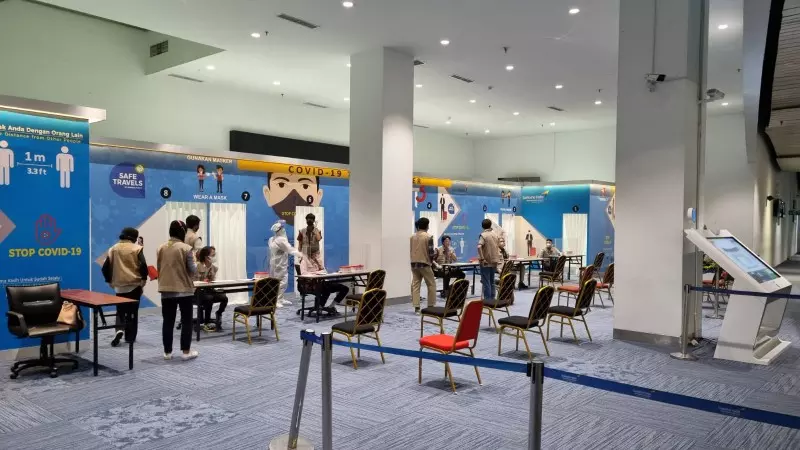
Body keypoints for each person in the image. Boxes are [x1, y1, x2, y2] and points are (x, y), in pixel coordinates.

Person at [157, 220, 199, 361]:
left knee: (168, 321)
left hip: (165, 288)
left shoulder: (160, 247)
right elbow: (193, 269)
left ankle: (167, 352)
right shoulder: (186, 248)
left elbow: (159, 267)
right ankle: (186, 352)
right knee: (186, 320)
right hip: (184, 289)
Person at [101, 227, 148, 347]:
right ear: (134, 238)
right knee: (132, 312)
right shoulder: (136, 248)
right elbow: (143, 265)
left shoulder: (113, 249)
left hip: (119, 286)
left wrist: (109, 280)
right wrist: (144, 279)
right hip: (134, 285)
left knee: (120, 310)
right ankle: (130, 337)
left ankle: (119, 329)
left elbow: (105, 268)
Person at [269, 220, 303, 307]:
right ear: (279, 230)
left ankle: (280, 299)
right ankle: (277, 301)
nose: (284, 229)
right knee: (282, 282)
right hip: (280, 264)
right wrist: (300, 254)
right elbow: (290, 249)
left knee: (275, 282)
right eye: (282, 228)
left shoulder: (271, 239)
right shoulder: (281, 240)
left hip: (274, 263)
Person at [195, 246, 228, 331]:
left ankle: (219, 313)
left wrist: (210, 268)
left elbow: (212, 280)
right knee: (209, 298)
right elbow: (195, 281)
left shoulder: (214, 267)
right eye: (212, 255)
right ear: (206, 257)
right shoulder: (197, 266)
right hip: (197, 292)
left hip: (209, 290)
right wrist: (203, 280)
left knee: (224, 297)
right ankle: (206, 321)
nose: (214, 257)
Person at [410, 217, 437, 313]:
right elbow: (431, 253)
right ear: (427, 226)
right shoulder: (428, 237)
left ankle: (416, 307)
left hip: (414, 263)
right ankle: (431, 305)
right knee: (431, 284)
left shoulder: (412, 237)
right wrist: (433, 259)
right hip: (425, 263)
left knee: (415, 285)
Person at [478, 219, 502, 301]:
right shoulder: (495, 235)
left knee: (486, 281)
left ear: (482, 226)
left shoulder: (483, 235)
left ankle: (487, 300)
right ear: (490, 225)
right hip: (494, 261)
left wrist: (482, 258)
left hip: (486, 262)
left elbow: (479, 246)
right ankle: (492, 298)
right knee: (492, 280)